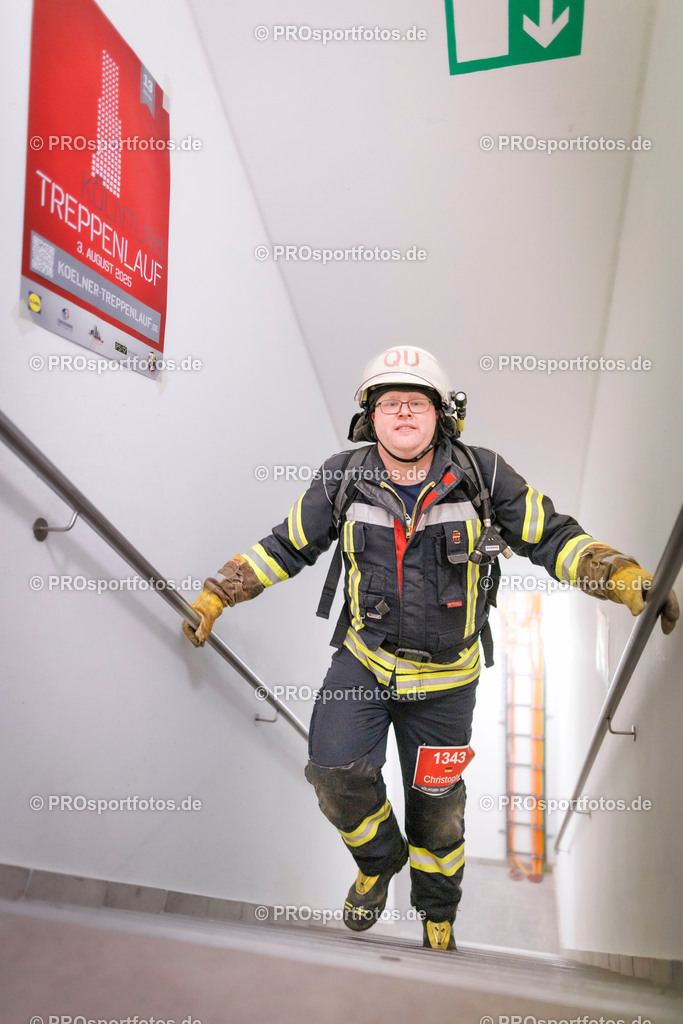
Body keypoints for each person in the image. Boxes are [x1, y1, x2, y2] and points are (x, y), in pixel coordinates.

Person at [182, 346, 679, 952]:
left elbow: (552, 536)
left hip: (447, 684)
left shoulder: (484, 475)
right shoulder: (342, 476)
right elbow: (283, 546)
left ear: (441, 414)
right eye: (390, 403)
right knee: (335, 774)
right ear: (371, 417)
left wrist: (622, 578)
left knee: (438, 813)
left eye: (417, 402)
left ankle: (437, 914)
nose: (404, 413)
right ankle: (377, 863)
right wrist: (216, 596)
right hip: (363, 663)